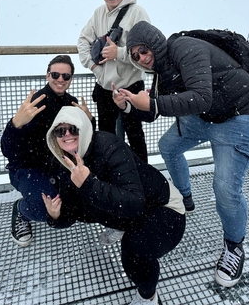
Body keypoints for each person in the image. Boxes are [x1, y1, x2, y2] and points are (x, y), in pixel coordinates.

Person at [115, 21, 249, 288]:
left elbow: (201, 97)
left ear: (155, 42)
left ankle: (234, 246)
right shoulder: (160, 71)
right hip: (207, 116)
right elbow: (153, 112)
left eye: (143, 50)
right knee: (168, 147)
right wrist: (129, 106)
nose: (141, 58)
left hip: (241, 116)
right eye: (135, 55)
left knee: (225, 189)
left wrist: (152, 102)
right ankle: (186, 198)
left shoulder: (185, 48)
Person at [42, 106, 185, 305]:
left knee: (133, 251)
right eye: (60, 131)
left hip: (165, 208)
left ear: (83, 129)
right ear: (53, 136)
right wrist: (55, 216)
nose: (67, 135)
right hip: (130, 212)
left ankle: (148, 297)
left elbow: (135, 202)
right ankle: (121, 226)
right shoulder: (64, 163)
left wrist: (89, 183)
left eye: (73, 129)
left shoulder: (109, 146)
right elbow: (73, 211)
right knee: (90, 201)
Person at [0, 55, 91, 247]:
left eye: (65, 76)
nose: (60, 79)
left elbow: (84, 139)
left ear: (71, 79)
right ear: (47, 75)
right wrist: (15, 124)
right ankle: (22, 210)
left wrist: (89, 121)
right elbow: (8, 150)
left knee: (81, 197)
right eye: (55, 74)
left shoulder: (72, 103)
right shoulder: (35, 104)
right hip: (27, 168)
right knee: (44, 210)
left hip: (58, 167)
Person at [77, 0, 151, 163]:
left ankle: (142, 179)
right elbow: (83, 41)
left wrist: (118, 53)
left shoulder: (137, 13)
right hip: (105, 86)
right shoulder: (99, 13)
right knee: (106, 134)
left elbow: (146, 52)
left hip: (131, 85)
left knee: (135, 135)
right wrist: (94, 67)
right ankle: (110, 174)